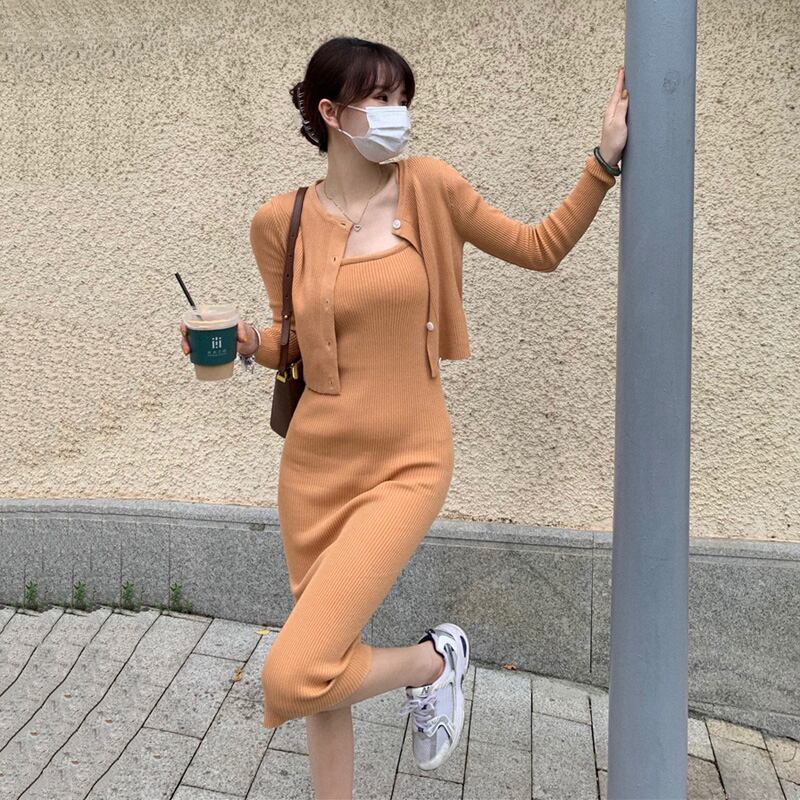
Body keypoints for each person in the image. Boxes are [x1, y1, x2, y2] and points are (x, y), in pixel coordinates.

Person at [180, 35, 628, 800]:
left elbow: (540, 247)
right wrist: (246, 341)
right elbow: (296, 342)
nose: (398, 114)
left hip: (409, 461)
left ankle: (433, 662)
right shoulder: (280, 222)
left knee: (293, 674)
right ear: (331, 113)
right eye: (380, 99)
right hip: (314, 469)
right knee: (326, 662)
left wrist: (604, 160)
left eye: (402, 98)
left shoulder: (431, 187)